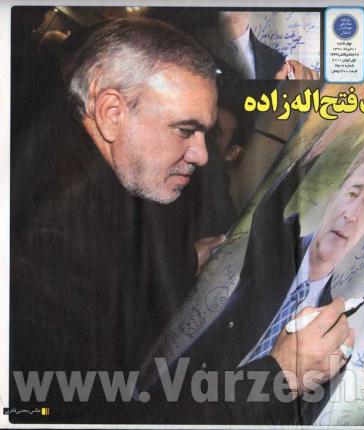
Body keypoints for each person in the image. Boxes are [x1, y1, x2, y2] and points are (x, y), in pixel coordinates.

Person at [8, 17, 338, 424]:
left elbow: (117, 281)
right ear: (111, 112)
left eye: (206, 133)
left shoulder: (75, 166)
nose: (202, 154)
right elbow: (100, 416)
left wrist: (183, 262)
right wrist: (279, 376)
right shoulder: (54, 237)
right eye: (185, 130)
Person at [169, 144, 364, 423]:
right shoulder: (276, 250)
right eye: (353, 193)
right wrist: (317, 145)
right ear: (335, 196)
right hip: (174, 404)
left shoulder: (333, 336)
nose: (351, 214)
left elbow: (300, 419)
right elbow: (268, 209)